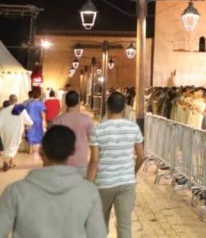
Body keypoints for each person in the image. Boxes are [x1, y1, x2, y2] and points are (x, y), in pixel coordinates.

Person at [0, 125, 106, 237]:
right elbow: (98, 234)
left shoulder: (15, 192)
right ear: (72, 152)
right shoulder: (89, 192)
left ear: (41, 151)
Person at [87, 92, 145, 238]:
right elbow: (141, 156)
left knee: (99, 225)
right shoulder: (133, 128)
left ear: (107, 107)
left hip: (103, 183)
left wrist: (88, 183)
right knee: (124, 226)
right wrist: (132, 173)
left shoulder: (98, 129)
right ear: (124, 108)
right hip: (126, 183)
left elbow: (94, 160)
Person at [52, 90, 93, 176]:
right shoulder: (87, 119)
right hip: (81, 162)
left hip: (62, 163)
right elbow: (93, 141)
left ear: (65, 102)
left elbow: (52, 144)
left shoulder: (57, 120)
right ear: (78, 102)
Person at [0, 96, 32, 172]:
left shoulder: (4, 110)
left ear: (9, 100)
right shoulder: (21, 109)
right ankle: (6, 160)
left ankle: (11, 163)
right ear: (17, 100)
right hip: (16, 131)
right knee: (14, 146)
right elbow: (29, 121)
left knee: (7, 146)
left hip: (4, 131)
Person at [24, 88, 47, 158]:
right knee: (39, 134)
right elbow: (42, 113)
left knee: (30, 133)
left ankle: (30, 149)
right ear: (39, 95)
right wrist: (44, 121)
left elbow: (26, 113)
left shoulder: (29, 104)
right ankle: (41, 148)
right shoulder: (41, 104)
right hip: (38, 121)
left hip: (30, 120)